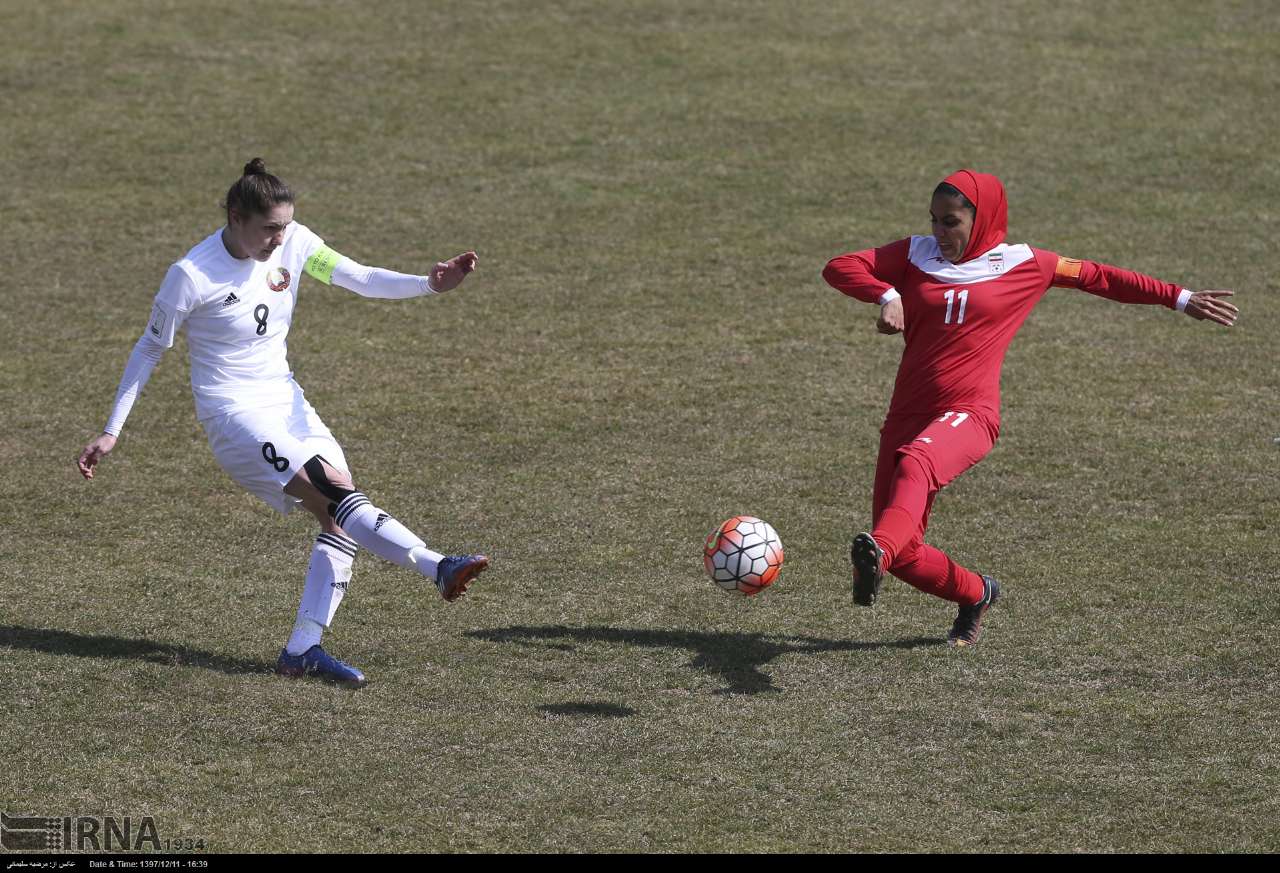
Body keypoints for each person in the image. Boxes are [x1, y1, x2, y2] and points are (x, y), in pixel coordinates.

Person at [77, 158, 490, 686]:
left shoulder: (294, 243)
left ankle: (302, 650)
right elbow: (149, 348)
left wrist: (428, 284)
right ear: (235, 216)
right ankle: (438, 566)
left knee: (339, 516)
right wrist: (112, 429)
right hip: (234, 415)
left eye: (285, 225)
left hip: (286, 401)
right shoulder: (192, 274)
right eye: (270, 227)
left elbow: (357, 278)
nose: (279, 238)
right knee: (336, 489)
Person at [822, 169, 1237, 647]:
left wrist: (1181, 299)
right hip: (907, 415)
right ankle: (977, 593)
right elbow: (839, 266)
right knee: (907, 554)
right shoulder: (916, 253)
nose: (940, 232)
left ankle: (877, 550)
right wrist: (887, 293)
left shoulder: (1025, 264)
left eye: (951, 222)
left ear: (983, 220)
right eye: (934, 220)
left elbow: (1099, 277)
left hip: (969, 413)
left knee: (915, 469)